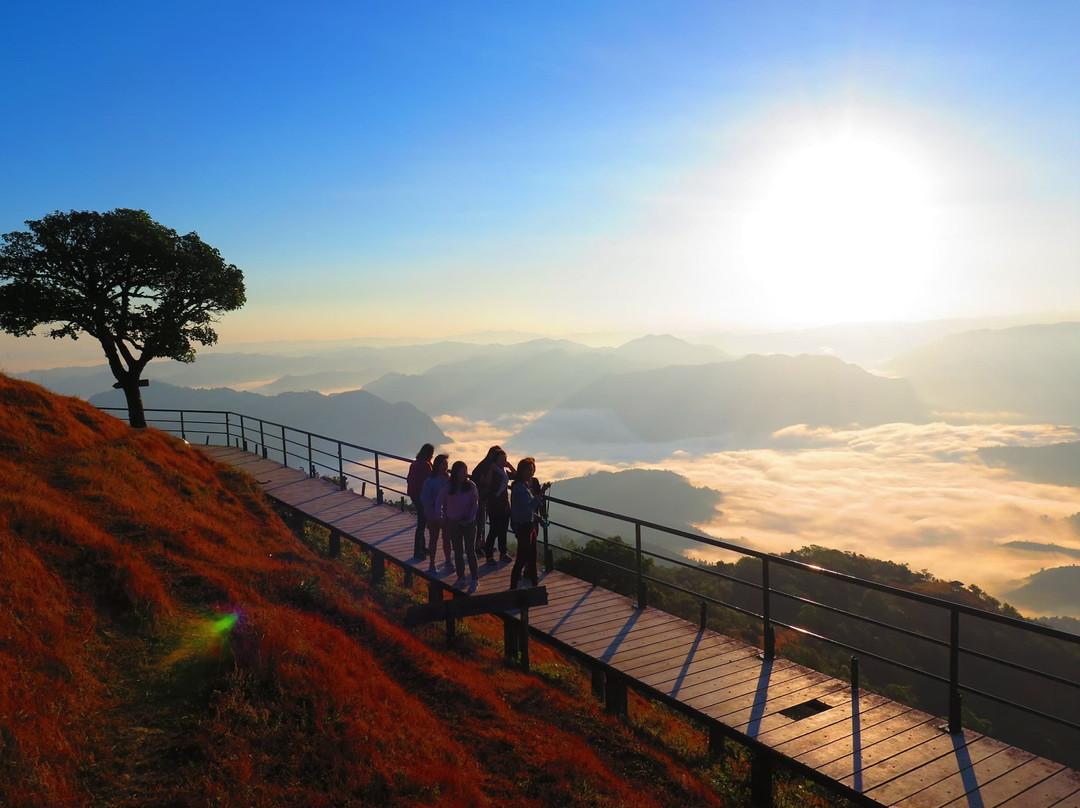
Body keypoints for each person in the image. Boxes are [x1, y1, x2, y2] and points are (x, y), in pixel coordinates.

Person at [509, 457, 550, 590]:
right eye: (531, 470)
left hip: (528, 526)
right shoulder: (521, 488)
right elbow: (529, 506)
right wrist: (542, 492)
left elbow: (526, 508)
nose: (532, 473)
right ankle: (515, 588)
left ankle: (533, 587)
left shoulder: (522, 487)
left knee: (531, 559)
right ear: (523, 471)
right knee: (523, 559)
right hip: (525, 527)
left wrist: (537, 517)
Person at [437, 460, 480, 587]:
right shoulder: (448, 487)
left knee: (470, 550)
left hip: (469, 521)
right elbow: (439, 501)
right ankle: (461, 577)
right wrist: (441, 516)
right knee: (458, 551)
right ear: (455, 473)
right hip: (453, 522)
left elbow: (475, 504)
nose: (463, 474)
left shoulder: (471, 485)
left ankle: (474, 577)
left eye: (464, 471)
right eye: (460, 472)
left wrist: (471, 518)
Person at [481, 448, 515, 563]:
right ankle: (489, 556)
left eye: (505, 459)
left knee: (503, 530)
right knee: (494, 530)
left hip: (504, 504)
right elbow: (487, 482)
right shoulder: (494, 470)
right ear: (495, 460)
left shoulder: (504, 471)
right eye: (501, 459)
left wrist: (509, 465)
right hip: (494, 504)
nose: (503, 461)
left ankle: (503, 553)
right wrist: (491, 469)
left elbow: (517, 475)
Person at [421, 454, 451, 571]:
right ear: (437, 465)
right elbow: (424, 498)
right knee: (434, 538)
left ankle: (448, 561)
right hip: (433, 514)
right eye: (443, 464)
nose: (445, 466)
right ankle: (432, 563)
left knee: (447, 538)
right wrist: (436, 502)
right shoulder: (430, 481)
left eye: (446, 464)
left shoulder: (449, 480)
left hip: (447, 514)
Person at [407, 443, 434, 558]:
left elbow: (409, 479)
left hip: (414, 494)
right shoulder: (426, 465)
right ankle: (418, 551)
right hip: (421, 495)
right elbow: (430, 481)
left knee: (421, 521)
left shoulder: (414, 463)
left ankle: (422, 547)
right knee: (422, 523)